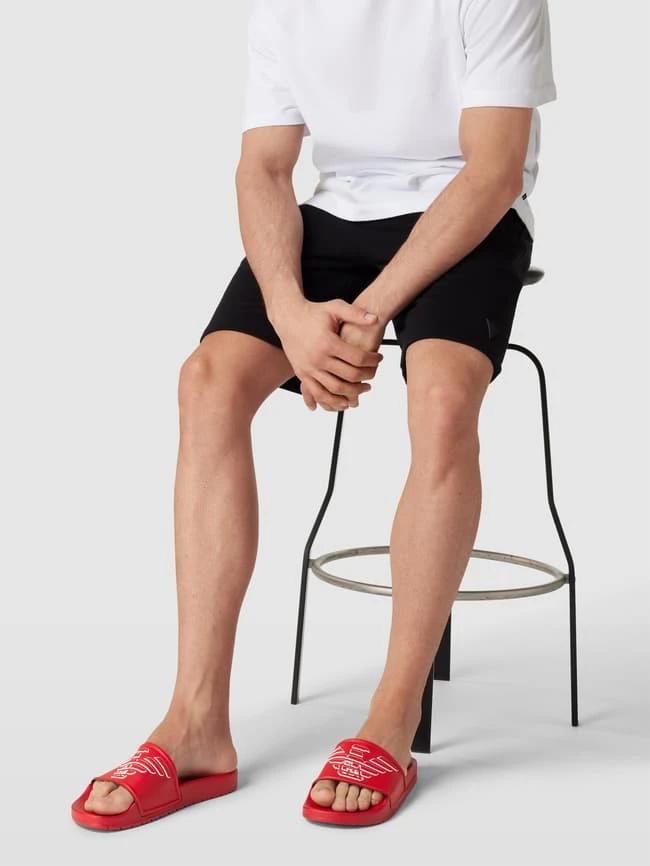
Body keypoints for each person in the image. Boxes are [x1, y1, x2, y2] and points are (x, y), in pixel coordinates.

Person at [71, 0, 556, 830]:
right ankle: (196, 723)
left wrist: (365, 317)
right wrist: (291, 315)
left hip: (467, 217)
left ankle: (391, 718)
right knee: (207, 382)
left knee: (441, 397)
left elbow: (494, 170)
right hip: (337, 218)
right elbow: (263, 168)